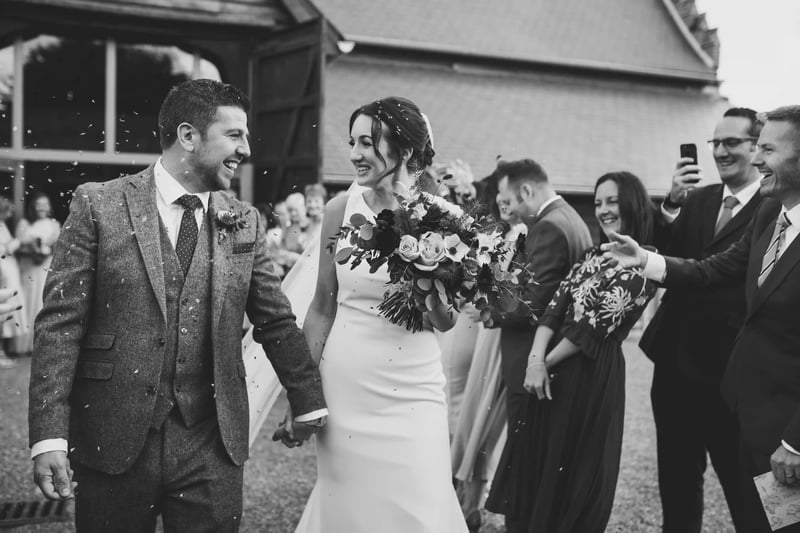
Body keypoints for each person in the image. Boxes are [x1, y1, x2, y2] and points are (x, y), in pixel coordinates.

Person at [28, 79, 327, 533]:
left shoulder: (245, 220)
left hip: (212, 442)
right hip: (113, 435)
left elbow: (275, 320)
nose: (246, 149)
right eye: (234, 134)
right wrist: (49, 435)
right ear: (188, 136)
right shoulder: (99, 205)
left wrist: (307, 400)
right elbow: (60, 325)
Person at [601, 105, 800, 533]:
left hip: (780, 419)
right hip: (739, 398)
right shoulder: (772, 215)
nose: (757, 159)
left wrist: (795, 441)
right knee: (746, 515)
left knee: (782, 521)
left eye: (767, 149)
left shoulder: (764, 206)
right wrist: (646, 260)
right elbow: (714, 269)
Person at [293, 96, 468, 532]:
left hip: (414, 387)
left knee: (422, 501)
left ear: (404, 151)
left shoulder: (448, 219)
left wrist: (429, 287)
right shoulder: (339, 211)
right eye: (352, 142)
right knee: (350, 507)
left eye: (367, 143)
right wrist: (303, 395)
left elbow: (447, 321)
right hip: (347, 388)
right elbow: (321, 306)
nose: (354, 154)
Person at [486, 171, 658, 532]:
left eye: (612, 201)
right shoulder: (592, 254)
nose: (603, 210)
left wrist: (543, 363)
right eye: (598, 203)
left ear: (633, 205)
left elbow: (591, 328)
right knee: (539, 461)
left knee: (575, 470)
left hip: (591, 371)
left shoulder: (646, 262)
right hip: (549, 366)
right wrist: (535, 360)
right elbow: (554, 308)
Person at [640, 107, 763, 532]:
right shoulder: (699, 199)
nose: (721, 152)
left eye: (732, 142)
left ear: (757, 146)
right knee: (676, 481)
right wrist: (672, 203)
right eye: (716, 143)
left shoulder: (771, 207)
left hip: (729, 371)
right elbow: (663, 253)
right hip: (675, 363)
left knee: (744, 484)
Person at [480, 158, 592, 532]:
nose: (508, 209)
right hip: (550, 362)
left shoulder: (548, 227)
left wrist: (487, 308)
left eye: (508, 199)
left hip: (532, 362)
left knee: (524, 464)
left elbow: (533, 304)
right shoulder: (571, 219)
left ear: (526, 191)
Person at [450, 195, 527, 531]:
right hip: (485, 332)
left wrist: (485, 303)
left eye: (511, 197)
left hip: (498, 334)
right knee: (472, 410)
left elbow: (512, 289)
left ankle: (473, 502)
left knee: (486, 413)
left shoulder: (523, 235)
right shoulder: (503, 234)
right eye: (501, 197)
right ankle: (465, 496)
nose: (503, 203)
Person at [13, 192, 60, 354]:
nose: (42, 207)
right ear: (33, 206)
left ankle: (40, 345)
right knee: (27, 301)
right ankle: (22, 345)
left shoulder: (54, 224)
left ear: (49, 207)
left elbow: (59, 247)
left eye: (45, 204)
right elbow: (17, 247)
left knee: (42, 302)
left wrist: (48, 250)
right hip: (29, 268)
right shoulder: (25, 224)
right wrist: (32, 252)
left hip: (45, 268)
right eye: (39, 204)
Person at [0, 196, 26, 368]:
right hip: (3, 271)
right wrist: (20, 240)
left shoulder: (2, 225)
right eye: (7, 211)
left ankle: (2, 350)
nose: (10, 215)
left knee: (6, 311)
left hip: (9, 269)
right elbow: (4, 249)